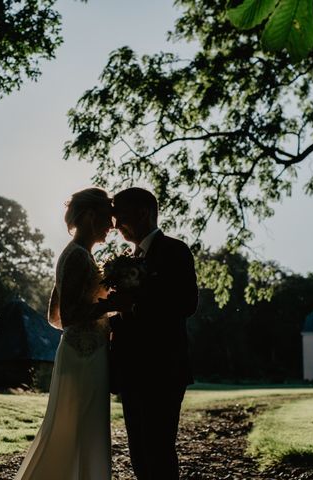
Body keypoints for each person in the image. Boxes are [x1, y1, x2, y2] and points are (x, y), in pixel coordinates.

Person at [14, 187, 115, 480]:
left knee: (79, 427)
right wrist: (110, 306)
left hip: (82, 352)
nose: (111, 226)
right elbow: (67, 317)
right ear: (89, 216)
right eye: (107, 218)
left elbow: (53, 316)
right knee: (80, 426)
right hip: (84, 356)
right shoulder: (77, 257)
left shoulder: (75, 254)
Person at [109, 187, 198, 480]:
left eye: (119, 215)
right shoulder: (126, 259)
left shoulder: (175, 251)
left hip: (164, 369)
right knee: (138, 451)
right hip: (130, 370)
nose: (115, 223)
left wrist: (133, 305)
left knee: (159, 449)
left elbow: (186, 303)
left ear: (142, 212)